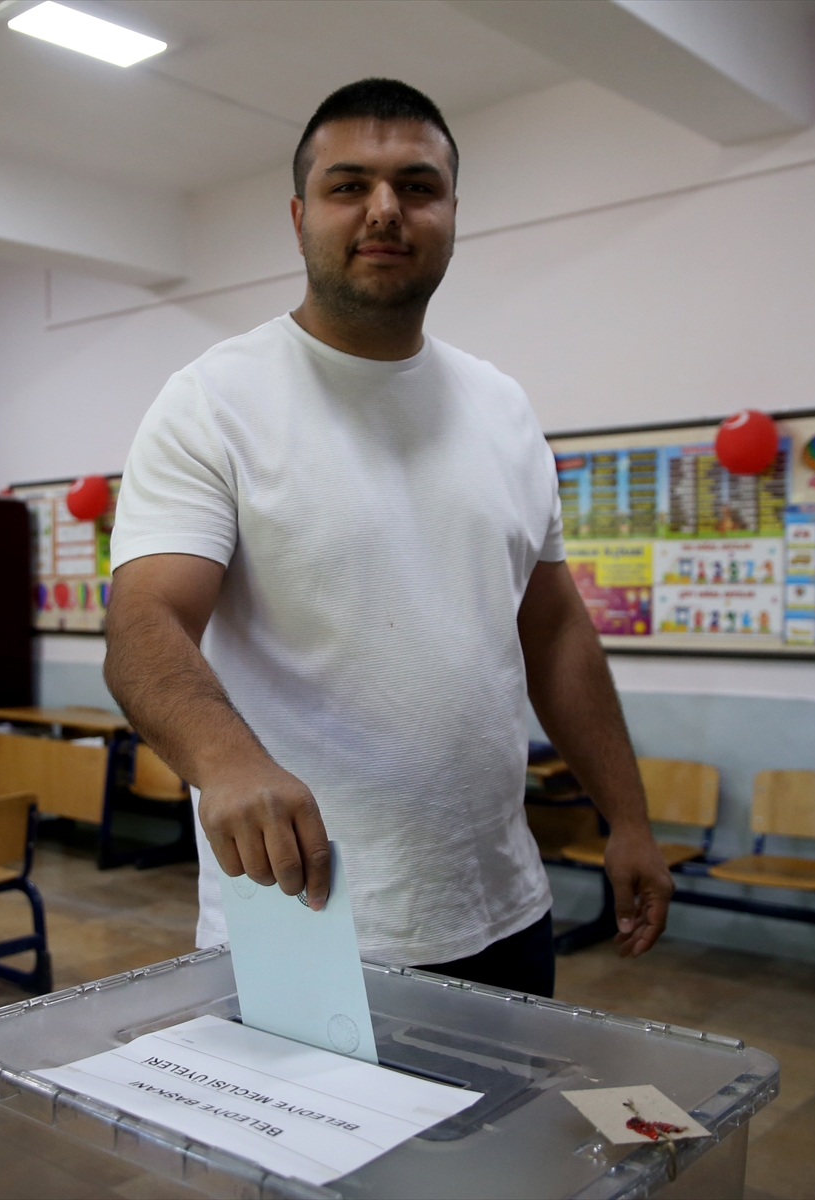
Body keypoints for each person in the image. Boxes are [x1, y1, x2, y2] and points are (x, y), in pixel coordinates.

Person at [106, 78, 673, 998]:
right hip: (301, 914)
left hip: (502, 913)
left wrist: (630, 819)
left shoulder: (503, 408)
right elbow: (143, 626)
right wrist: (228, 760)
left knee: (497, 1145)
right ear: (299, 216)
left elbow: (557, 632)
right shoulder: (215, 401)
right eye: (347, 186)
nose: (384, 210)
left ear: (451, 213)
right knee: (307, 1149)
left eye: (417, 186)